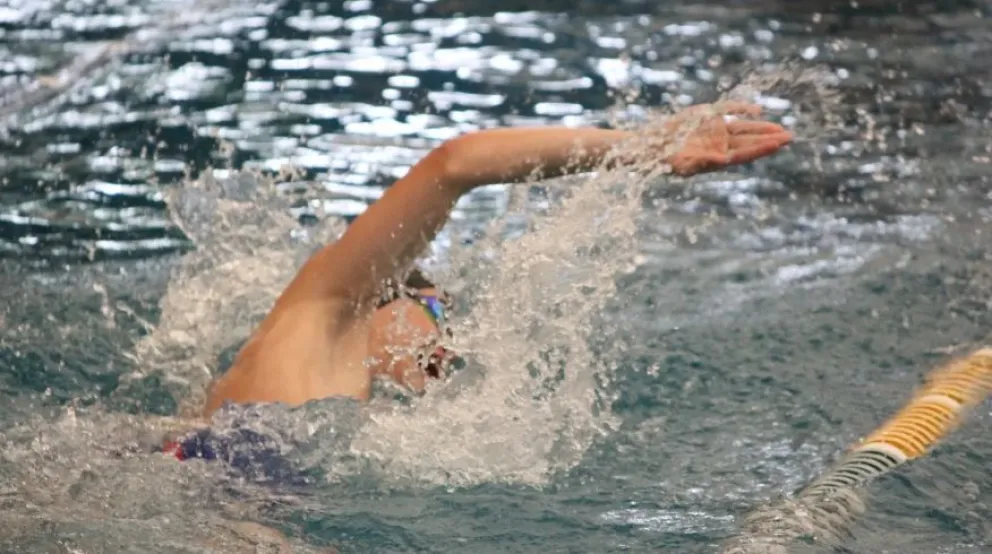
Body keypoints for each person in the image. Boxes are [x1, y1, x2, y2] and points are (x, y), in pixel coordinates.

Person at [196, 101, 792, 420]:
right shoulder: (325, 307)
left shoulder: (334, 405)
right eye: (431, 323)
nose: (440, 355)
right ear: (386, 295)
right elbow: (455, 164)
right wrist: (642, 147)